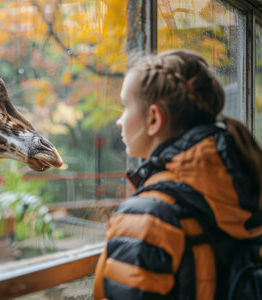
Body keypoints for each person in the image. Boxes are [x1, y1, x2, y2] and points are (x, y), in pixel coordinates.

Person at [93, 49, 262, 299]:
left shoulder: (148, 216)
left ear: (153, 119)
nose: (119, 121)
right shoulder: (242, 184)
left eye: (125, 106)